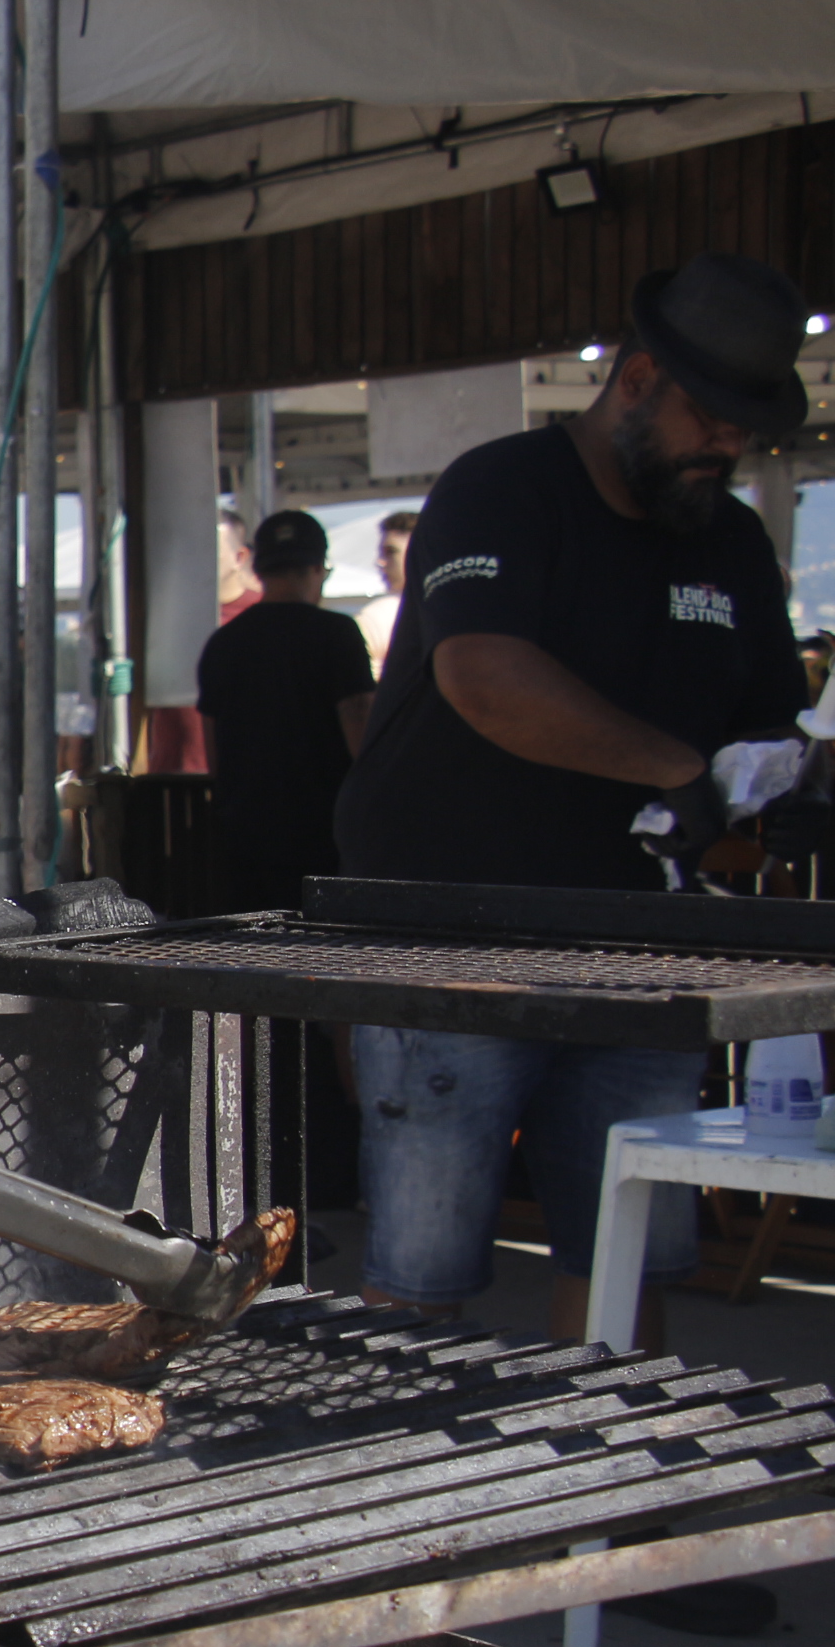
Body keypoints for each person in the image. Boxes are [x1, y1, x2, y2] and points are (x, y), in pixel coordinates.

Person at [336, 254, 814, 1341]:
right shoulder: (502, 488)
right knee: (424, 1263)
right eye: (712, 417)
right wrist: (678, 771)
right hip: (451, 929)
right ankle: (402, 1484)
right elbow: (485, 680)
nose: (728, 446)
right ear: (638, 381)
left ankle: (605, 1478)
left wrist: (773, 778)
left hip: (642, 942)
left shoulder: (729, 540)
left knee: (624, 1249)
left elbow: (769, 715)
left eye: (748, 427)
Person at [194, 511, 374, 913]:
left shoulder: (223, 643)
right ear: (317, 569)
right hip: (322, 835)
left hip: (244, 836)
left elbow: (214, 756)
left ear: (257, 569)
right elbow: (361, 735)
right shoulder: (337, 634)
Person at [355, 507, 418, 672]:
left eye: (391, 552)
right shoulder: (375, 617)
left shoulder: (376, 618)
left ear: (419, 553)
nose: (380, 562)